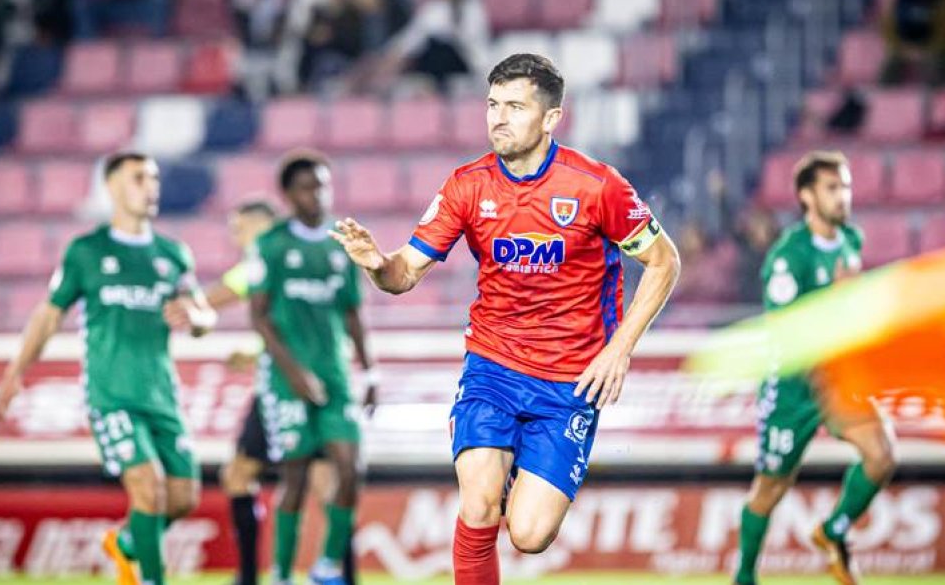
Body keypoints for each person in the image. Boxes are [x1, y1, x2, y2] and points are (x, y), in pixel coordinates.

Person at [329, 53, 681, 585]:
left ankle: (523, 467)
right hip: (493, 367)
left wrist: (620, 348)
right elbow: (404, 274)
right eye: (492, 104)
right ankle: (496, 471)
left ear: (550, 117)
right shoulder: (467, 186)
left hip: (571, 379)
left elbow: (664, 261)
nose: (497, 117)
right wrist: (379, 264)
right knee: (478, 504)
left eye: (515, 107)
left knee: (530, 535)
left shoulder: (597, 186)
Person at [0, 151, 218, 585]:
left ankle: (129, 543)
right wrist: (16, 370)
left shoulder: (173, 255)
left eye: (154, 178)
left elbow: (204, 314)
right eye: (139, 178)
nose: (150, 186)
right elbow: (49, 315)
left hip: (160, 396)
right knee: (147, 485)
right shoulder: (87, 251)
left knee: (183, 498)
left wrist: (195, 319)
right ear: (112, 186)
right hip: (111, 395)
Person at [734, 151, 897, 585]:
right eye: (832, 187)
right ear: (806, 196)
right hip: (793, 387)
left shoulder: (851, 241)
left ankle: (832, 531)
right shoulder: (789, 257)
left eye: (845, 186)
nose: (843, 195)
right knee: (770, 490)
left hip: (838, 379)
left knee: (881, 455)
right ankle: (744, 577)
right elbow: (786, 335)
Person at [202, 199, 361, 585]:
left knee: (249, 476)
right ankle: (334, 574)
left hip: (290, 387)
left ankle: (252, 577)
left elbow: (216, 297)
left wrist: (181, 306)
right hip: (300, 381)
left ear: (262, 226)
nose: (237, 238)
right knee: (321, 483)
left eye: (241, 229)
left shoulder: (264, 258)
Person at [246, 152, 376, 585]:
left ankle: (325, 568)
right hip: (287, 378)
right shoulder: (272, 245)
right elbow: (259, 316)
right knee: (296, 475)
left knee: (351, 467)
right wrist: (295, 374)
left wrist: (370, 372)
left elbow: (354, 314)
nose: (317, 194)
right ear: (287, 195)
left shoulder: (341, 244)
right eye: (307, 187)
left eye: (322, 185)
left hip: (335, 376)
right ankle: (281, 573)